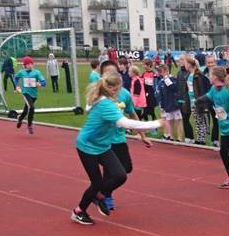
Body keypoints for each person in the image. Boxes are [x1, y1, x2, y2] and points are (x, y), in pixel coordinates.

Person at [71, 72, 162, 225]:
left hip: (103, 146)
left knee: (120, 175)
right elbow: (127, 124)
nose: (121, 92)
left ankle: (99, 195)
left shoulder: (105, 101)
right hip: (87, 146)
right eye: (120, 88)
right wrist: (157, 123)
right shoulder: (105, 105)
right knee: (96, 182)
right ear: (114, 89)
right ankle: (79, 211)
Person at [99, 61, 152, 211]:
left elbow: (132, 114)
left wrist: (142, 135)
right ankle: (106, 196)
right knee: (111, 171)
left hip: (119, 139)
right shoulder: (99, 95)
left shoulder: (124, 94)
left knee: (126, 168)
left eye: (113, 72)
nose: (111, 76)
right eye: (107, 73)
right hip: (104, 141)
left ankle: (101, 191)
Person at [14, 56, 46, 134]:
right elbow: (15, 78)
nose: (30, 65)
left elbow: (44, 82)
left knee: (26, 110)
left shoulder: (37, 72)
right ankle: (29, 126)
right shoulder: (22, 72)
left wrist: (40, 84)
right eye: (28, 64)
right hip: (25, 93)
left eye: (31, 64)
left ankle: (20, 118)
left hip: (34, 95)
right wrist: (17, 86)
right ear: (24, 65)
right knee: (31, 107)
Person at [156, 64, 183, 142]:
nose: (160, 73)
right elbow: (160, 95)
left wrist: (167, 79)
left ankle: (179, 138)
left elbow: (174, 88)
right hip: (166, 105)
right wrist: (162, 105)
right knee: (169, 121)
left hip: (174, 104)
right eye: (160, 72)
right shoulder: (161, 82)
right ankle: (170, 137)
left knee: (178, 121)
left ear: (166, 71)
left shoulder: (173, 79)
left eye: (161, 72)